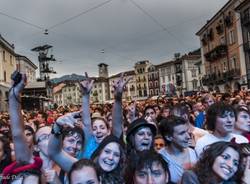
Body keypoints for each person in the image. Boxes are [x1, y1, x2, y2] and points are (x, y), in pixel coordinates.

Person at [158, 115, 197, 183]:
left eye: (187, 132)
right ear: (168, 137)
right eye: (182, 133)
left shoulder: (193, 152)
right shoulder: (161, 158)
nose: (188, 136)